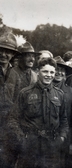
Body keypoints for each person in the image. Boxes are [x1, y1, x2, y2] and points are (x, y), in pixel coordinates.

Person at [8, 57, 69, 168]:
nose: (49, 75)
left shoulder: (59, 94)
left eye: (52, 72)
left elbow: (64, 120)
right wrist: (22, 139)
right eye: (45, 71)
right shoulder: (25, 93)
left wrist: (61, 138)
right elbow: (13, 118)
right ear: (37, 72)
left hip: (51, 145)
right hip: (30, 145)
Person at [52, 56, 72, 168]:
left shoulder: (71, 92)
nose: (59, 73)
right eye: (57, 69)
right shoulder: (43, 88)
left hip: (64, 137)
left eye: (62, 71)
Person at [0, 33, 20, 167]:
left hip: (7, 125)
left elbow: (17, 102)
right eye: (1, 50)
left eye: (8, 52)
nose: (3, 54)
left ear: (13, 55)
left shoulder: (15, 75)